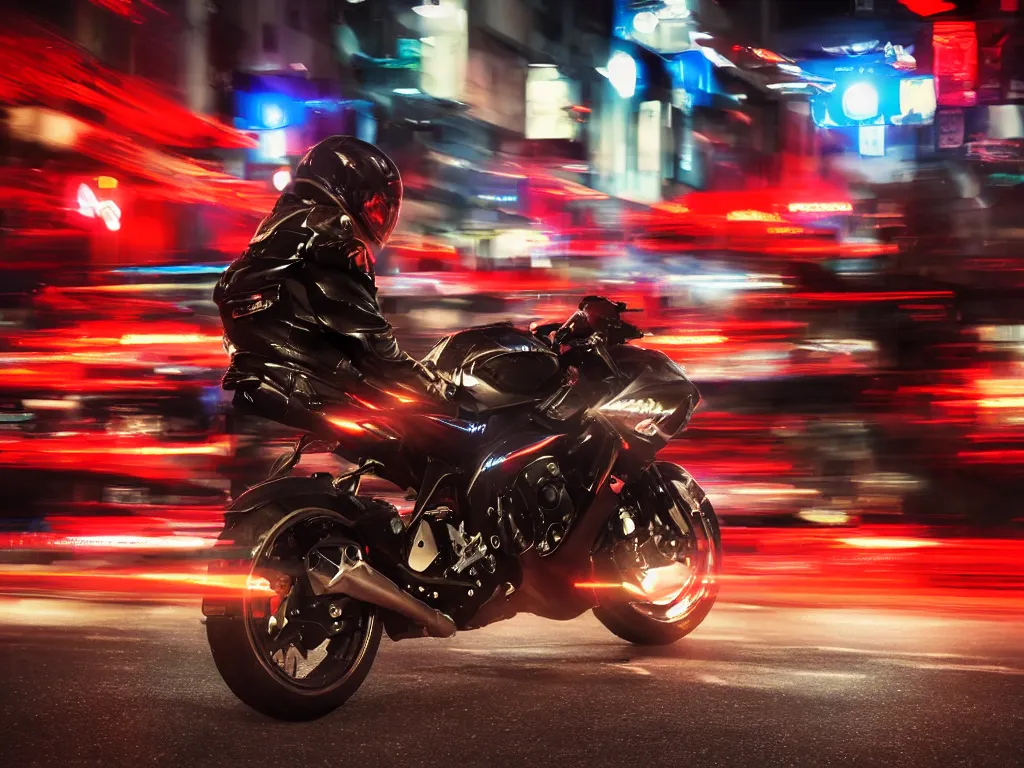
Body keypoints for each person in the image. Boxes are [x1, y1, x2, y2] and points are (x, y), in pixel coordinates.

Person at [214, 136, 449, 434]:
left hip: (259, 387)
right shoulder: (333, 236)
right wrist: (445, 394)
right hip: (307, 394)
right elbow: (376, 352)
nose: (379, 219)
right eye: (374, 206)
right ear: (348, 191)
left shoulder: (277, 227)